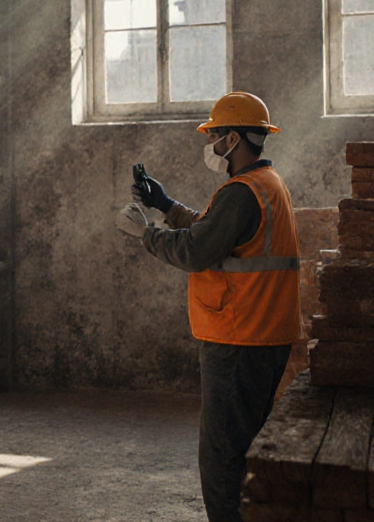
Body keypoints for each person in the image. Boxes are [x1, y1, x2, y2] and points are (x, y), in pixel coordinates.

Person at [114, 91, 300, 522]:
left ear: (233, 138)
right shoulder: (266, 185)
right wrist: (164, 205)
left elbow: (197, 251)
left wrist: (145, 233)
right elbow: (215, 231)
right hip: (265, 335)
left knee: (222, 459)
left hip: (238, 339)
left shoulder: (240, 193)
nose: (211, 144)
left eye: (215, 135)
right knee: (245, 445)